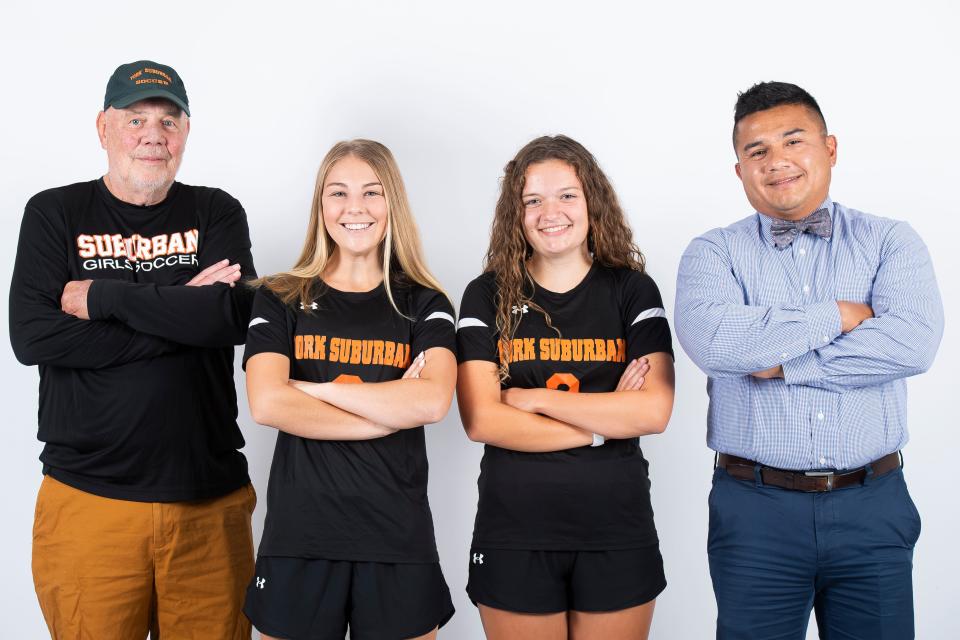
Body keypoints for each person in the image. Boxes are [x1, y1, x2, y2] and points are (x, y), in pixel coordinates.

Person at [675, 81, 944, 639]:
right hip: (754, 511)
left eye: (793, 141)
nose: (777, 162)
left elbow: (912, 342)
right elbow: (715, 345)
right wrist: (839, 315)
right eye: (758, 151)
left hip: (874, 503)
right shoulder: (713, 252)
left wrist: (782, 361)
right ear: (739, 170)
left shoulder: (891, 241)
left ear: (830, 149)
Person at [9, 60, 258, 638]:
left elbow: (231, 317)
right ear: (103, 127)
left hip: (208, 503)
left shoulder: (216, 210)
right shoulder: (55, 213)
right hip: (89, 501)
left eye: (169, 122)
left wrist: (106, 295)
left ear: (186, 133)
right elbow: (35, 337)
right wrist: (180, 308)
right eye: (136, 119)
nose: (153, 135)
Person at [456, 135, 675, 640]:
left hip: (616, 528)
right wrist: (604, 422)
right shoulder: (486, 293)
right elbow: (483, 420)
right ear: (516, 212)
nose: (549, 212)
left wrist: (535, 400)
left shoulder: (631, 288)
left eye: (566, 195)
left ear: (593, 202)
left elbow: (654, 411)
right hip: (514, 531)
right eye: (532, 200)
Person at [242, 139, 457, 640]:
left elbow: (431, 401)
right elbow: (267, 401)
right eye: (338, 193)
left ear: (392, 205)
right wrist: (386, 412)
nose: (354, 208)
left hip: (397, 542)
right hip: (300, 539)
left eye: (372, 193)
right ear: (321, 205)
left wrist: (308, 389)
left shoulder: (425, 302)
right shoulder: (280, 297)